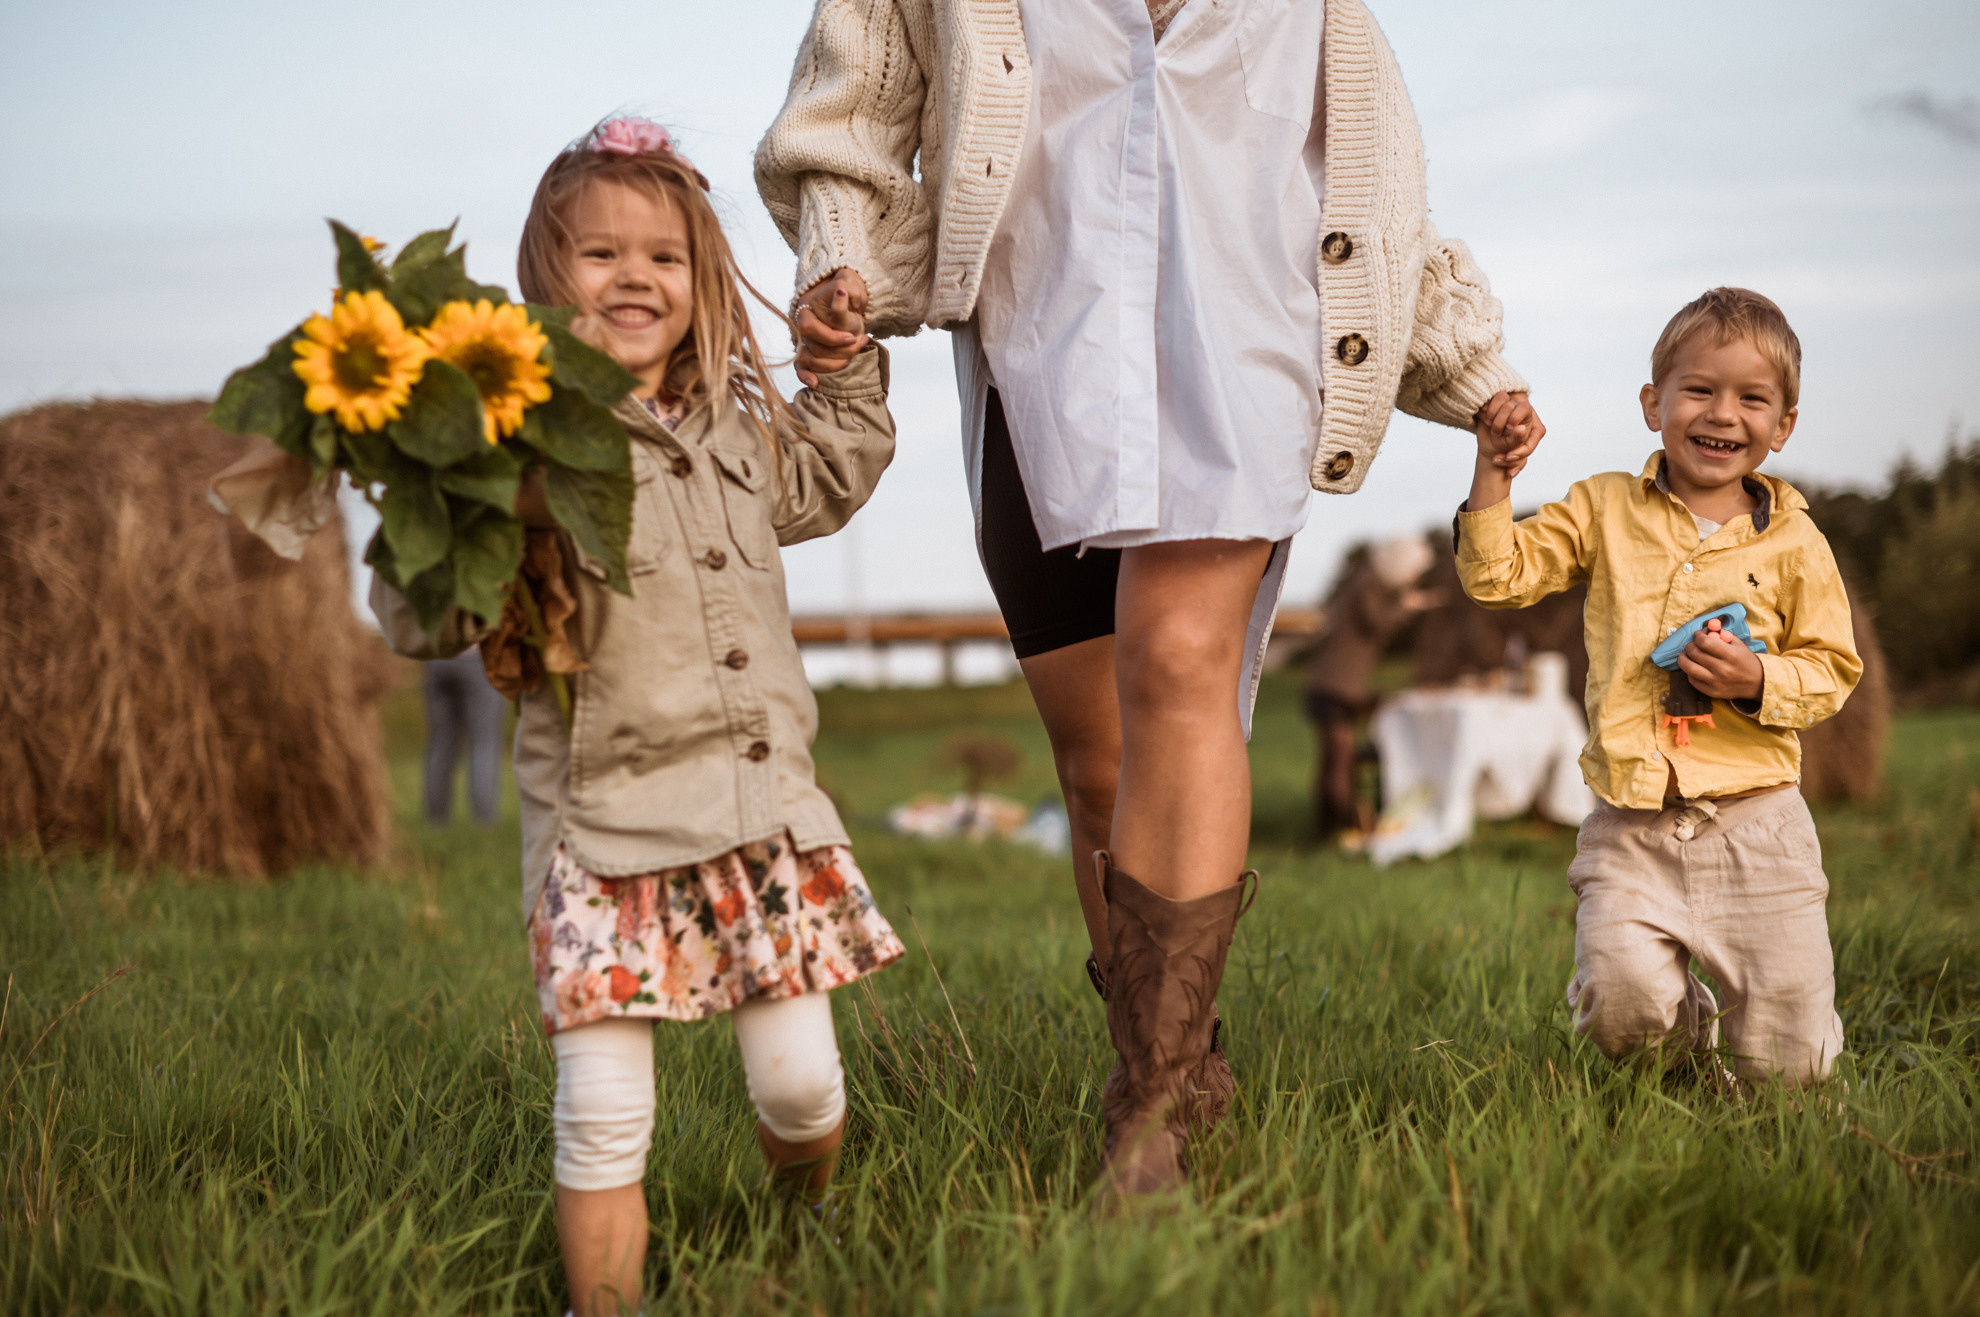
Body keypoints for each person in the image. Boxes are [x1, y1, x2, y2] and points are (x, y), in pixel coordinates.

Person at [757, 0, 1544, 1197]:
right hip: (1037, 348)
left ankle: (1156, 1110)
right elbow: (853, 107)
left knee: (1177, 661)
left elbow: (1373, 189)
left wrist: (1472, 372)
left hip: (1252, 355)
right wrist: (838, 263)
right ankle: (1172, 1058)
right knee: (1098, 770)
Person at [372, 119, 904, 1317]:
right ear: (542, 280)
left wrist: (844, 368)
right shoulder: (517, 446)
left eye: (663, 257)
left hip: (759, 813)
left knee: (803, 1095)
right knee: (604, 1115)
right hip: (601, 833)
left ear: (702, 277)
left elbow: (831, 471)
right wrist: (434, 479)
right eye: (600, 254)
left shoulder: (733, 430)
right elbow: (421, 625)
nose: (634, 278)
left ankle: (807, 1235)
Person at [1456, 287, 1859, 1088]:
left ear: (1782, 426)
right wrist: (1494, 474)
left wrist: (1758, 679)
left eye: (1753, 398)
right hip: (1631, 825)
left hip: (1758, 825)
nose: (1723, 414)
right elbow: (1498, 578)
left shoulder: (1795, 541)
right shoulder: (1603, 508)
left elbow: (1833, 667)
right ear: (1655, 403)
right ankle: (1683, 1069)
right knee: (1620, 1003)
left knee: (1791, 1061)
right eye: (1700, 389)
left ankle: (1765, 1074)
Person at [1303, 536, 1440, 843]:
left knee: (1336, 760)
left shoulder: (1368, 583)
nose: (1413, 579)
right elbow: (1376, 624)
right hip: (1335, 687)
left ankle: (1329, 827)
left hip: (1334, 684)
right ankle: (1332, 830)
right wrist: (1406, 606)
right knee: (1340, 760)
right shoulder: (1369, 584)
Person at [420, 649, 506, 825]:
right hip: (478, 658)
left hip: (437, 658)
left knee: (441, 742)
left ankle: (437, 819)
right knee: (484, 742)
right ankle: (485, 819)